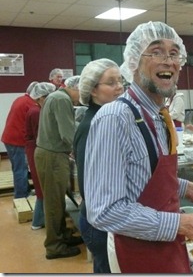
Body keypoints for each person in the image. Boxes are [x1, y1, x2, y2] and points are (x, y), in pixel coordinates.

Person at [84, 21, 193, 273]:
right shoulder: (115, 118)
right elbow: (105, 211)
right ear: (134, 62)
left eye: (174, 53)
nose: (168, 61)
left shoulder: (158, 114)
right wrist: (183, 225)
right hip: (135, 251)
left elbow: (143, 177)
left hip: (165, 245)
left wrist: (187, 187)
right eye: (156, 52)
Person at [73, 58, 124, 273]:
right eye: (111, 83)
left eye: (120, 80)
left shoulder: (108, 118)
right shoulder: (93, 125)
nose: (120, 87)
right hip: (99, 225)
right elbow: (89, 185)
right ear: (93, 90)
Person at [34, 75, 83, 260]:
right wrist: (82, 154)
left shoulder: (55, 96)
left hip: (48, 154)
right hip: (53, 156)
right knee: (54, 203)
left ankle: (62, 236)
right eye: (83, 91)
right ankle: (54, 246)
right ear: (75, 88)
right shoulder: (62, 100)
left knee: (57, 201)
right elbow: (68, 134)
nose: (83, 96)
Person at [25, 82, 56, 230]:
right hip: (36, 149)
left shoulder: (35, 109)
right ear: (42, 98)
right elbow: (41, 134)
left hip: (34, 148)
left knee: (41, 185)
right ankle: (38, 221)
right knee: (41, 186)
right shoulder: (37, 112)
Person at [1, 81, 39, 198]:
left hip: (9, 138)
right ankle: (21, 196)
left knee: (18, 168)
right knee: (21, 170)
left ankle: (24, 191)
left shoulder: (21, 99)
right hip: (17, 141)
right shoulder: (31, 104)